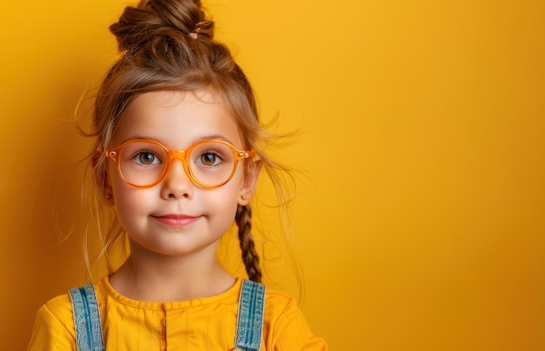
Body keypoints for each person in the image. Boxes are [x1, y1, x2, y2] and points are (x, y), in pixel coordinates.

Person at [27, 0, 327, 350]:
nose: (177, 185)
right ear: (105, 178)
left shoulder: (277, 327)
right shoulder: (66, 328)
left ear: (246, 179)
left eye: (210, 157)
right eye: (147, 155)